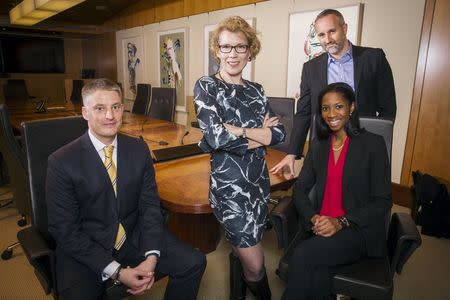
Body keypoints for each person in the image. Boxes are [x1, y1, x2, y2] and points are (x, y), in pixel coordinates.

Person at [46, 78, 206, 300]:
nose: (110, 116)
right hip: (86, 245)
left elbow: (149, 207)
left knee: (193, 263)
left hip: (133, 234)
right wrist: (117, 271)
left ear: (123, 108)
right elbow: (65, 230)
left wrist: (151, 257)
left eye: (116, 107)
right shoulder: (61, 161)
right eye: (100, 108)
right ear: (85, 112)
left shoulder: (139, 149)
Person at [194, 16, 285, 300]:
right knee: (257, 265)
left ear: (250, 51)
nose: (232, 54)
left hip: (259, 185)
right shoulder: (207, 86)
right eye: (226, 47)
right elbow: (216, 138)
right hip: (229, 189)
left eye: (240, 47)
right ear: (216, 50)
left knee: (244, 250)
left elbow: (280, 134)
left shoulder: (256, 90)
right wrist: (260, 135)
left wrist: (240, 130)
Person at [282, 82, 392, 299]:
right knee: (319, 276)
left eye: (339, 106)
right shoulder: (318, 145)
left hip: (356, 230)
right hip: (320, 226)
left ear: (352, 107)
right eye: (325, 108)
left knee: (303, 255)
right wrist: (314, 218)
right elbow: (300, 189)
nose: (331, 114)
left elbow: (383, 201)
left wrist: (340, 222)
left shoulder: (373, 144)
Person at [271, 8, 396, 177]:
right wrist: (293, 153)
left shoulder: (373, 58)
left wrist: (377, 146)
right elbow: (304, 112)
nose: (327, 39)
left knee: (356, 195)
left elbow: (388, 107)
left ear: (344, 28)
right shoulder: (310, 68)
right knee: (324, 195)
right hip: (325, 144)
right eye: (321, 35)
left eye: (332, 31)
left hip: (362, 143)